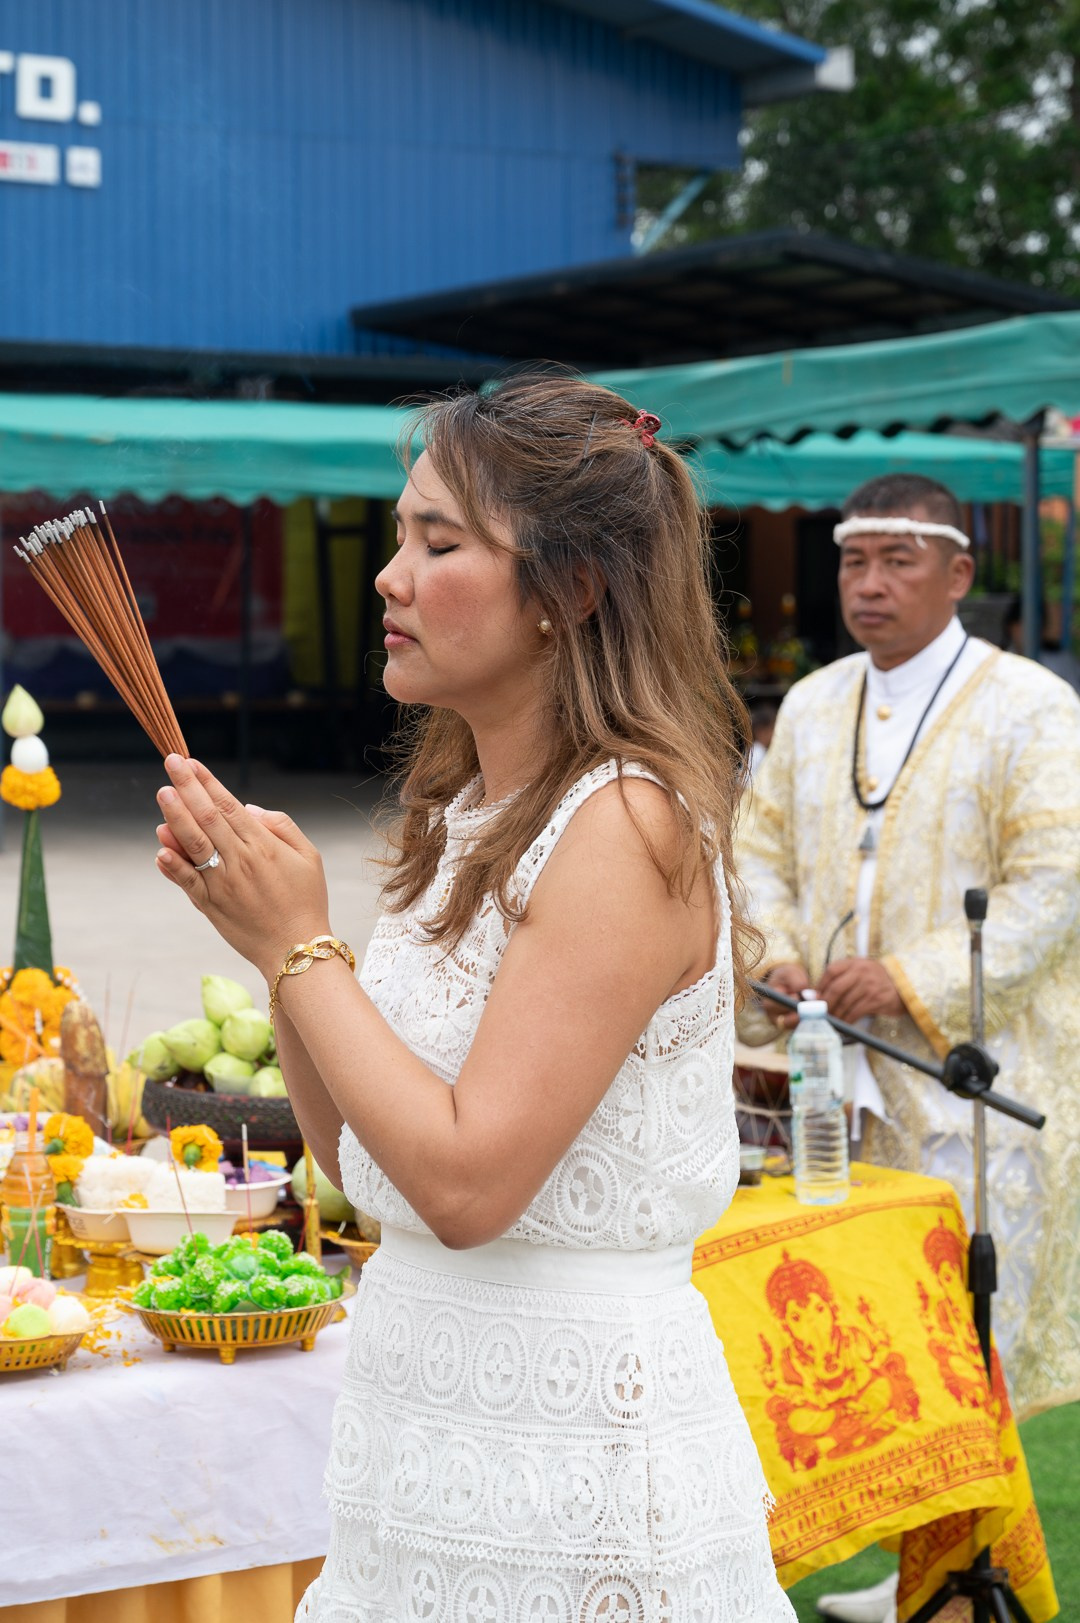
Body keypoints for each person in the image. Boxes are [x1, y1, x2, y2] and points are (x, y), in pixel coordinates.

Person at [153, 377, 796, 1622]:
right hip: (427, 1435)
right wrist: (278, 946)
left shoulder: (621, 822)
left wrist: (301, 950)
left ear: (571, 590)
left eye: (439, 541)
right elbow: (364, 1165)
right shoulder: (464, 821)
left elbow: (466, 1186)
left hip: (577, 1470)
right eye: (401, 536)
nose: (390, 576)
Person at [737, 472, 1080, 1622]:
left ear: (958, 574)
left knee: (972, 1329)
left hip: (977, 1083)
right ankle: (913, 1576)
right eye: (853, 561)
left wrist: (912, 977)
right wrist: (779, 956)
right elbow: (760, 854)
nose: (869, 585)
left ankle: (965, 1585)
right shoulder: (814, 704)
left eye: (897, 560)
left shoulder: (1032, 707)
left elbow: (1054, 883)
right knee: (886, 1338)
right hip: (841, 1077)